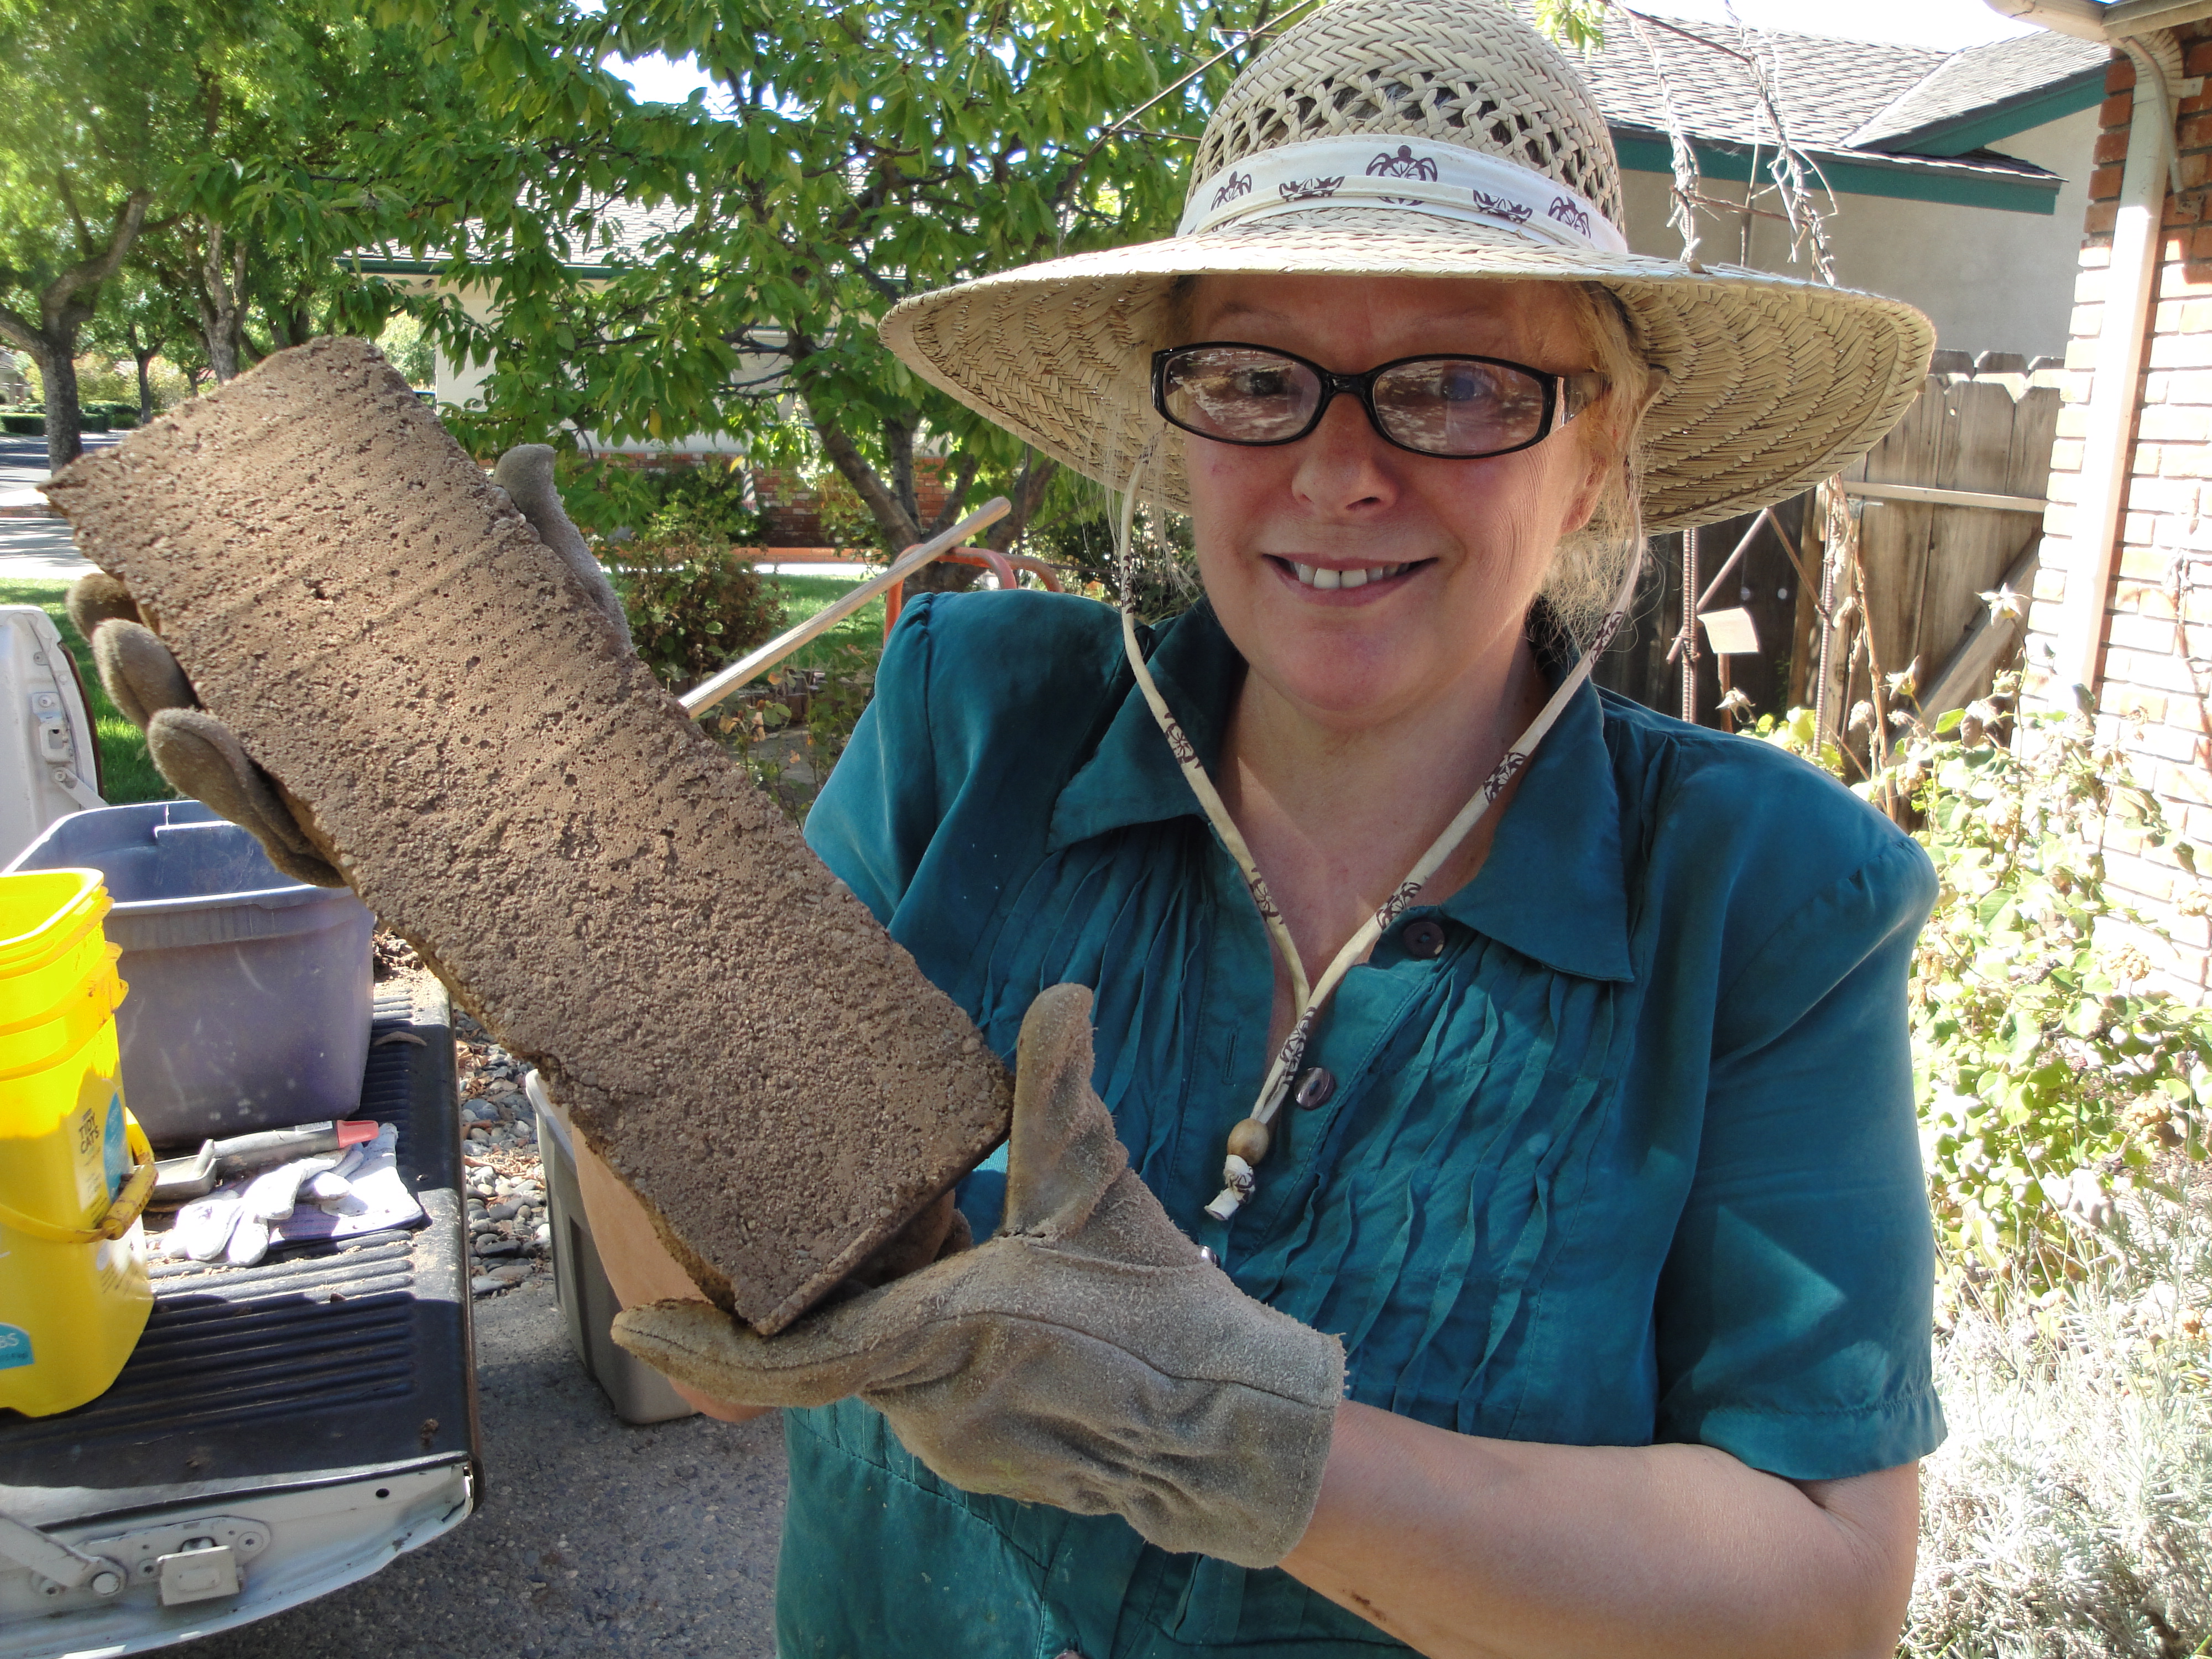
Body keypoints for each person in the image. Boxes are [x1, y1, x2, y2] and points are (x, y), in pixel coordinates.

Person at [81, 2, 1945, 1653]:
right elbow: (707, 1344)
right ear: (1177, 420)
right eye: (1255, 376)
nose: (1337, 467)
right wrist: (554, 913)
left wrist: (1237, 1438)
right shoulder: (974, 726)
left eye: (1459, 384)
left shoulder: (1769, 900)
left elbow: (1820, 1598)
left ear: (1598, 448)